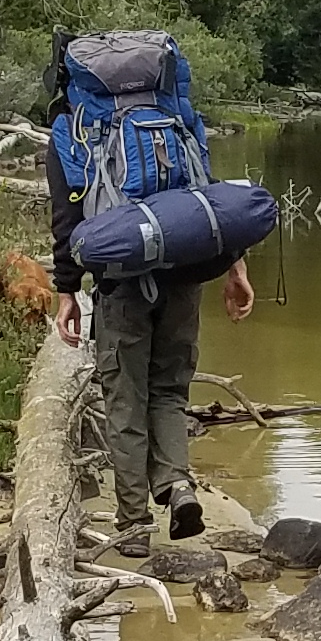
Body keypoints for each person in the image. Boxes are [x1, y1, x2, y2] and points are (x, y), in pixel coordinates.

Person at [36, 28, 254, 551]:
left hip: (121, 282)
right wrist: (236, 266)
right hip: (185, 269)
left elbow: (66, 220)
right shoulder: (177, 119)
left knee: (124, 397)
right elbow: (211, 201)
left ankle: (134, 523)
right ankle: (177, 485)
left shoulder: (73, 130)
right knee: (170, 390)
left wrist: (67, 291)